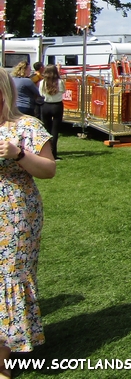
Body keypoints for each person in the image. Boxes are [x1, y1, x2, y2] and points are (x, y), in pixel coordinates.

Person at [0, 68, 57, 376]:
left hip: (15, 212)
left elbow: (49, 170)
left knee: (10, 277)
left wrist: (18, 153)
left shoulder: (26, 126)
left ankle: (2, 360)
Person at [38, 65, 65, 161]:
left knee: (46, 130)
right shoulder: (60, 82)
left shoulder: (42, 82)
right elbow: (63, 91)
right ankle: (54, 154)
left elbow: (41, 94)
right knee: (55, 130)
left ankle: (46, 153)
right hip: (57, 106)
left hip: (46, 105)